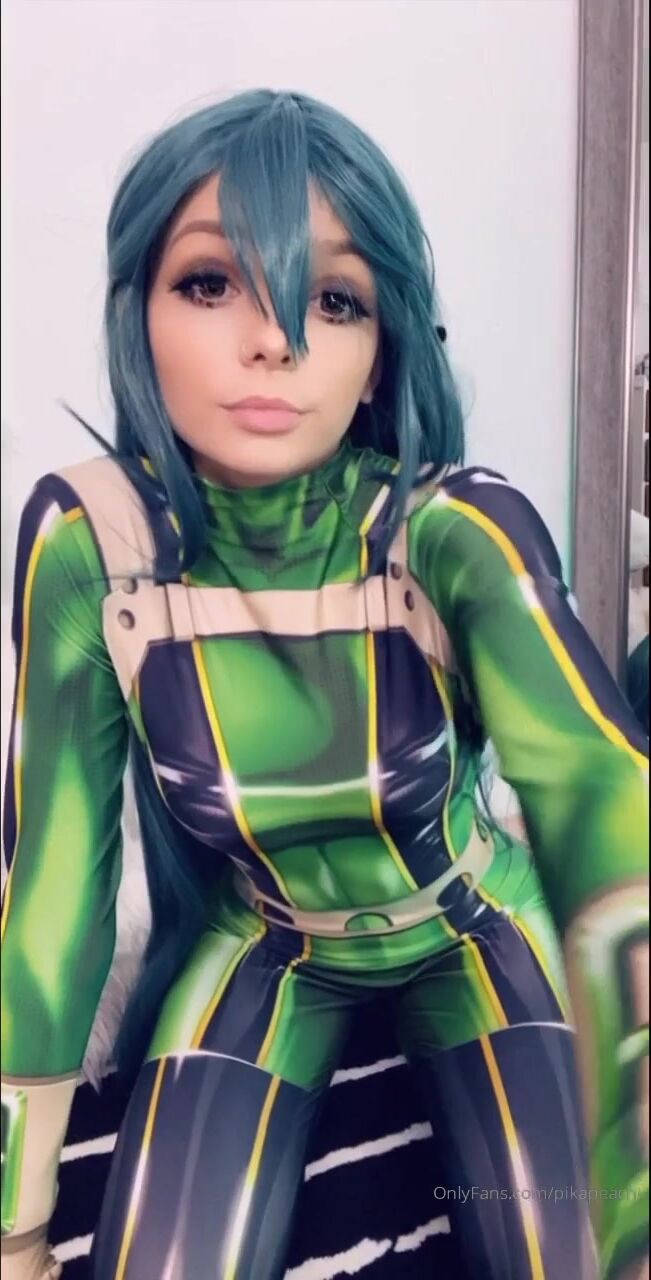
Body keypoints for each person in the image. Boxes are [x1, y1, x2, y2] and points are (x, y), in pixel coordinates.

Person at [1, 89, 648, 1280]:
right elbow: (53, 889)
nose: (275, 340)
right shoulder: (90, 545)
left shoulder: (456, 529)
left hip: (471, 926)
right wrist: (15, 1225)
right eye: (211, 282)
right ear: (138, 308)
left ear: (381, 343)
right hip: (267, 939)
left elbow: (604, 807)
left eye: (334, 299)